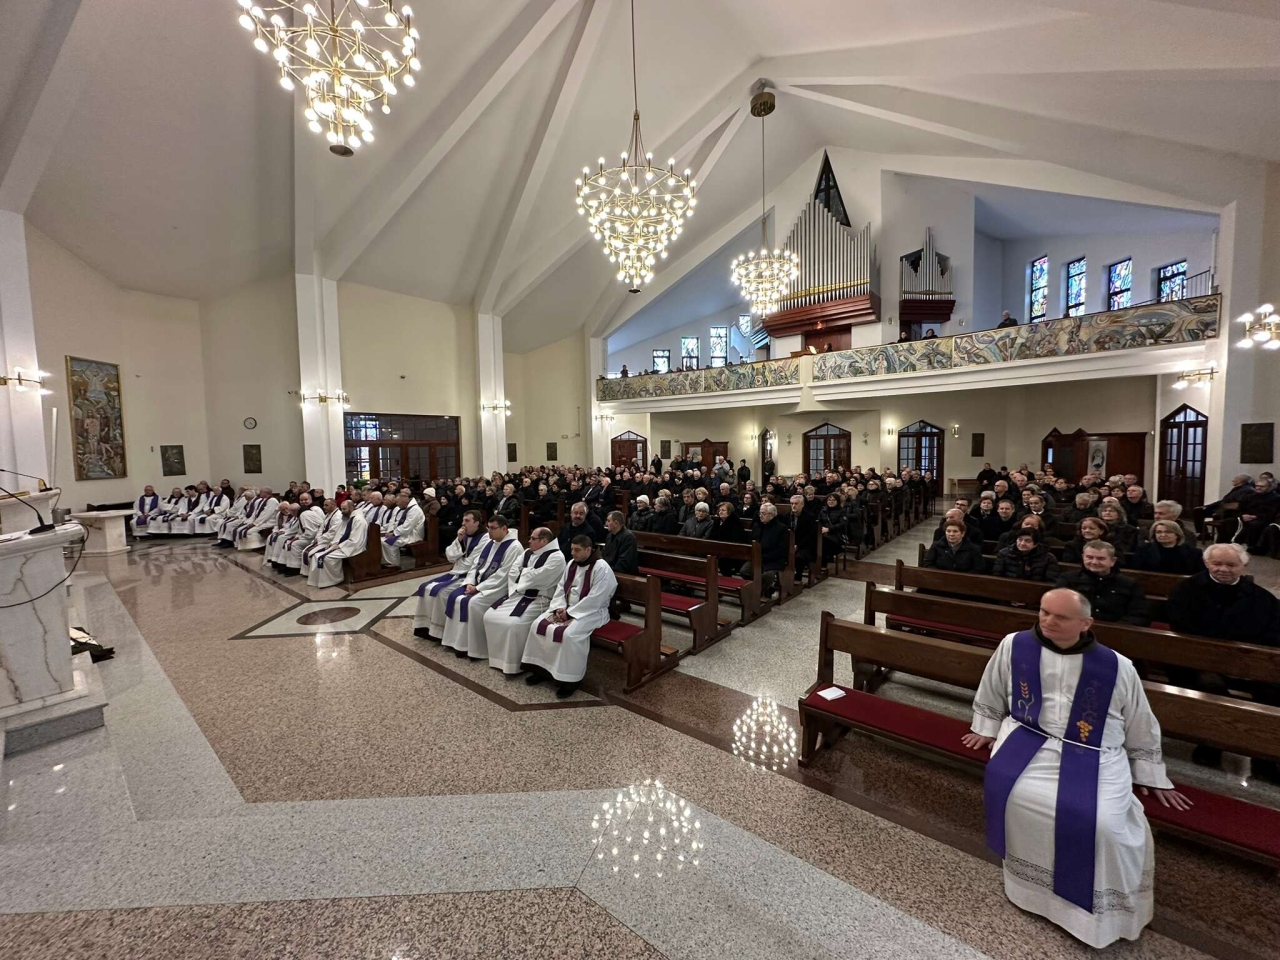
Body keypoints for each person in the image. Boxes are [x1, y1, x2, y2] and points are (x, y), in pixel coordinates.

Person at [962, 589, 1189, 948]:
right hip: (1029, 737)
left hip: (1094, 751)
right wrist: (986, 728)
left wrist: (1149, 771)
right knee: (1016, 796)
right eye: (1043, 612)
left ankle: (1097, 917)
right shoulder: (1015, 645)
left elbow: (1139, 720)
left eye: (1060, 617)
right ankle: (1030, 891)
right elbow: (992, 687)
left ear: (1085, 623)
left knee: (1104, 825)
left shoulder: (1116, 666)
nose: (1047, 621)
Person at [522, 534, 617, 698]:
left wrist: (570, 613)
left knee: (569, 635)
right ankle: (542, 671)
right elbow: (561, 588)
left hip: (591, 612)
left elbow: (596, 598)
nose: (573, 553)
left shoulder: (602, 568)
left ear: (588, 550)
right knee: (538, 625)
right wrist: (559, 608)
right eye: (572, 549)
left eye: (577, 550)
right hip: (566, 608)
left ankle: (569, 680)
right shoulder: (572, 564)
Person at [482, 527, 568, 675]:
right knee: (489, 616)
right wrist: (528, 574)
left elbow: (540, 578)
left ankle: (513, 664)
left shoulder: (557, 557)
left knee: (513, 624)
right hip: (519, 594)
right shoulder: (527, 552)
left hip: (539, 599)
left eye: (533, 538)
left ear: (544, 541)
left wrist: (523, 571)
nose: (529, 541)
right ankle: (497, 659)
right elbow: (513, 571)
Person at [1167, 543, 1280, 649]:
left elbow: (1273, 629)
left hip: (1244, 654)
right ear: (1206, 563)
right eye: (1217, 564)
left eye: (1231, 565)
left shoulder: (1261, 597)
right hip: (1195, 649)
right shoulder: (1185, 588)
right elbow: (1179, 623)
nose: (1223, 569)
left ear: (1243, 565)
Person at [441, 515, 522, 660]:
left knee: (473, 603)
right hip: (479, 584)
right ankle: (457, 643)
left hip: (499, 588)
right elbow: (475, 565)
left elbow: (503, 575)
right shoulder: (490, 542)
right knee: (456, 597)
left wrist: (479, 588)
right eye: (488, 528)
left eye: (493, 528)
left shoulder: (514, 547)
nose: (489, 531)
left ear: (504, 529)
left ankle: (476, 649)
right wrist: (470, 582)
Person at [412, 510, 488, 640]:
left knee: (441, 593)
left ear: (476, 523)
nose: (463, 524)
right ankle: (425, 628)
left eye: (467, 521)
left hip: (467, 575)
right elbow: (450, 556)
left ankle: (439, 632)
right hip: (456, 571)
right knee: (425, 587)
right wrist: (459, 540)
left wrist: (459, 559)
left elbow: (472, 563)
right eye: (463, 520)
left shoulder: (485, 538)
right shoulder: (464, 535)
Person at [1055, 542, 1149, 625]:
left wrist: (1115, 629)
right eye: (1089, 557)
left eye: (1101, 558)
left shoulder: (1129, 584)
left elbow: (1138, 615)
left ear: (1112, 561)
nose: (1094, 562)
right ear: (1083, 557)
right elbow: (1057, 607)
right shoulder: (1068, 579)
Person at [305, 499, 369, 588]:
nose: (342, 512)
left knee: (325, 558)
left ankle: (332, 580)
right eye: (341, 509)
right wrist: (333, 543)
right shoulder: (347, 518)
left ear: (351, 508)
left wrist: (339, 546)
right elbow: (341, 534)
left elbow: (355, 540)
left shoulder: (359, 520)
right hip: (345, 545)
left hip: (354, 547)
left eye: (344, 509)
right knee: (317, 555)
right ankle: (317, 580)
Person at [1132, 520, 1204, 574]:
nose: (1163, 535)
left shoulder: (1194, 553)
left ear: (1177, 535)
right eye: (1159, 532)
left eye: (1168, 532)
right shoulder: (1143, 550)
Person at [278, 494, 326, 575]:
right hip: (310, 536)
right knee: (288, 541)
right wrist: (298, 536)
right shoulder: (303, 513)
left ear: (294, 511)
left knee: (294, 544)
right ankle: (286, 565)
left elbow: (311, 532)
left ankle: (295, 568)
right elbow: (302, 530)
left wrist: (299, 537)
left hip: (315, 538)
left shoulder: (305, 515)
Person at [992, 528, 1059, 581]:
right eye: (1020, 539)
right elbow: (997, 576)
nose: (1022, 543)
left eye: (1028, 541)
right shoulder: (1004, 553)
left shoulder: (1048, 558)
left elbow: (1051, 581)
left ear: (1036, 544)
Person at [381, 491, 426, 568]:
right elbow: (398, 522)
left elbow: (407, 526)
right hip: (405, 533)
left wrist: (394, 533)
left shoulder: (415, 509)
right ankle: (388, 563)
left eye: (397, 502)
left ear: (403, 501)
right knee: (381, 539)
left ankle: (394, 565)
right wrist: (390, 530)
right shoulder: (407, 508)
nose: (397, 504)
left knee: (386, 542)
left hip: (413, 536)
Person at [602, 510, 639, 575]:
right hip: (610, 570)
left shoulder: (629, 537)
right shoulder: (609, 535)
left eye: (608, 521)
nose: (606, 524)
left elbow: (624, 562)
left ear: (616, 523)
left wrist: (608, 571)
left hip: (624, 574)